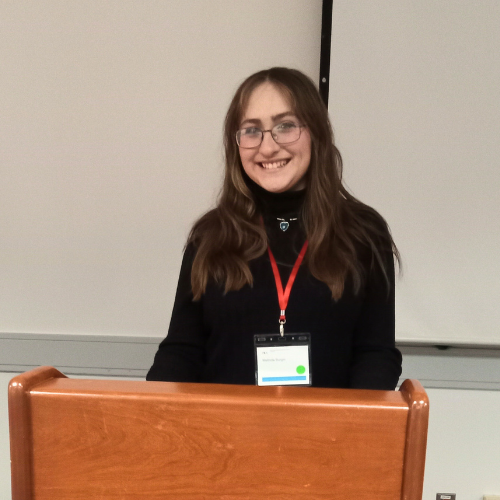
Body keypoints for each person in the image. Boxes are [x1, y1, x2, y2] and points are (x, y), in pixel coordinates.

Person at [147, 67, 402, 390]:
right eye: (251, 130)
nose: (267, 147)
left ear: (316, 132)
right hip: (223, 436)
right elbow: (182, 351)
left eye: (285, 126)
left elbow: (375, 354)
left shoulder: (363, 233)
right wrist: (150, 419)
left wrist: (351, 429)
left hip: (326, 437)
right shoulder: (210, 235)